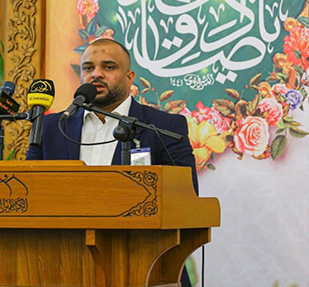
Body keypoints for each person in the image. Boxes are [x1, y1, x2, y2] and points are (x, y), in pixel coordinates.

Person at [26, 38, 198, 286]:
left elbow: (186, 196)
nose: (96, 74)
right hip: (65, 267)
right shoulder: (53, 127)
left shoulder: (164, 126)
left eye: (108, 67)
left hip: (147, 266)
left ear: (129, 78)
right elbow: (30, 191)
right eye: (88, 68)